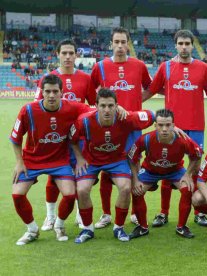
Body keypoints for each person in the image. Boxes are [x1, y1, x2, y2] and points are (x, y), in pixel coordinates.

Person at [148, 29, 207, 228]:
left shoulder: (202, 68)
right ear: (175, 45)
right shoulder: (165, 67)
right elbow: (151, 90)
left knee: (195, 169)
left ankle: (198, 212)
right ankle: (163, 213)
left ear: (192, 45)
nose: (184, 47)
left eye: (187, 43)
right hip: (171, 127)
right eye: (180, 43)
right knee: (167, 166)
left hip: (196, 126)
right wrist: (127, 105)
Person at [10, 74, 91, 245]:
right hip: (32, 160)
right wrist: (19, 162)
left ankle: (59, 225)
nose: (51, 95)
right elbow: (16, 138)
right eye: (48, 91)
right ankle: (32, 230)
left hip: (59, 161)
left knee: (69, 195)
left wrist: (119, 108)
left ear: (62, 92)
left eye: (55, 91)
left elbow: (95, 109)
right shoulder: (28, 110)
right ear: (42, 92)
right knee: (17, 195)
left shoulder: (72, 108)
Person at [70, 88, 154, 243]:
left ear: (117, 106)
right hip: (92, 161)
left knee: (125, 187)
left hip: (117, 160)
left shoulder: (127, 118)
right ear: (96, 105)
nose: (107, 110)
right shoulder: (84, 121)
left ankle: (119, 228)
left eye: (110, 105)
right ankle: (87, 229)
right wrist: (79, 158)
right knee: (81, 189)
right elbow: (72, 139)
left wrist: (172, 126)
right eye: (102, 106)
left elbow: (152, 115)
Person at [90, 27, 153, 229]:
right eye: (116, 42)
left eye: (123, 42)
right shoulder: (100, 66)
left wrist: (135, 104)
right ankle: (106, 214)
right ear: (111, 44)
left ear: (128, 43)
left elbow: (150, 87)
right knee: (107, 170)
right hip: (108, 127)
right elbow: (92, 93)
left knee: (134, 166)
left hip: (133, 127)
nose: (119, 46)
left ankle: (135, 212)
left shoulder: (139, 65)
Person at [35, 38, 97, 232]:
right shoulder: (48, 78)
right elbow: (37, 107)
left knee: (80, 174)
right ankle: (50, 217)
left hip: (78, 139)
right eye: (64, 53)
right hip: (56, 138)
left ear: (76, 55)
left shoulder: (86, 79)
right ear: (57, 54)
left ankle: (80, 213)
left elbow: (93, 107)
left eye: (72, 53)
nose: (68, 57)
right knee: (53, 177)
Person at [128, 109, 202, 239]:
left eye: (168, 125)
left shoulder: (183, 140)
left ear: (173, 125)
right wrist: (135, 179)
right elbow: (132, 158)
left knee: (187, 189)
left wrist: (187, 174)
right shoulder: (146, 139)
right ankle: (143, 227)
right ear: (155, 125)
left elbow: (196, 156)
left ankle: (181, 227)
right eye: (161, 125)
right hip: (150, 171)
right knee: (136, 190)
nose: (164, 129)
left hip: (175, 171)